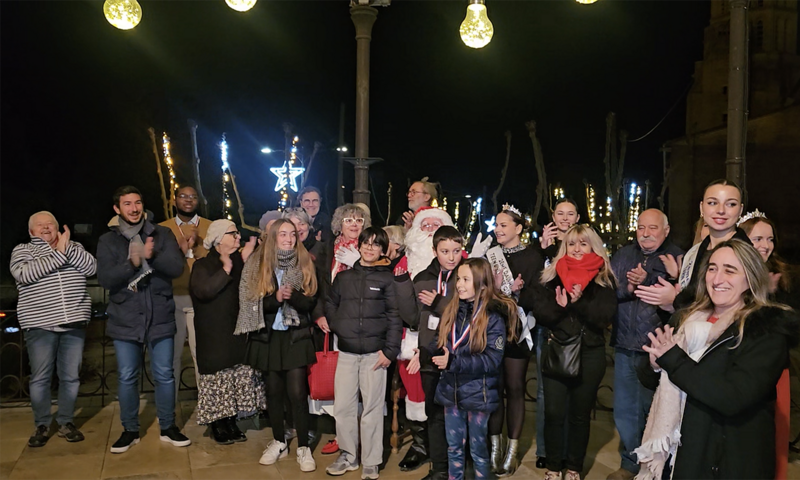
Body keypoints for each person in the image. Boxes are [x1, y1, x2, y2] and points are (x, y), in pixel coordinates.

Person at [635, 239, 799, 480]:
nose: (717, 278)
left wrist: (673, 360)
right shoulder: (689, 318)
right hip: (682, 451)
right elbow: (656, 380)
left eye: (730, 271)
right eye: (712, 268)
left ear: (750, 279)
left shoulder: (764, 330)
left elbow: (733, 397)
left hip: (728, 460)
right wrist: (653, 364)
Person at [96, 186, 190, 453]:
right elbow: (105, 279)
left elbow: (176, 268)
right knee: (127, 376)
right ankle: (130, 430)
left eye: (137, 202)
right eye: (127, 204)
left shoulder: (162, 234)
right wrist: (133, 263)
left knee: (164, 374)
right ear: (117, 208)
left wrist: (152, 256)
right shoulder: (108, 240)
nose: (134, 208)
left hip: (160, 315)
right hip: (125, 317)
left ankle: (168, 426)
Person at [531, 224, 617, 480]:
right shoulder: (551, 275)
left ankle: (573, 468)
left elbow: (603, 318)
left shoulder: (605, 279)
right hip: (557, 350)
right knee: (554, 413)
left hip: (590, 354)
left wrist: (578, 303)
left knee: (579, 416)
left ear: (593, 247)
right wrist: (562, 306)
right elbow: (541, 313)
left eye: (583, 243)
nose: (577, 249)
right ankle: (553, 467)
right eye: (571, 244)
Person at [236, 219, 319, 472]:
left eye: (292, 234)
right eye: (283, 234)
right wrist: (275, 299)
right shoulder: (257, 263)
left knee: (297, 393)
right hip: (268, 337)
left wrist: (293, 297)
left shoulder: (305, 261)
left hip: (295, 337)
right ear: (273, 237)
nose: (288, 239)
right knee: (273, 392)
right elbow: (249, 303)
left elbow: (311, 302)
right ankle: (279, 441)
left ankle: (303, 446)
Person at [606, 209, 683, 480]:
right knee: (624, 410)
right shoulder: (623, 254)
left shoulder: (677, 257)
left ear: (666, 230)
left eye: (652, 228)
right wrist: (629, 287)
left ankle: (654, 468)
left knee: (655, 411)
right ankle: (630, 463)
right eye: (641, 228)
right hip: (624, 343)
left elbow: (682, 298)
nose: (646, 233)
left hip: (656, 348)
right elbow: (608, 288)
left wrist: (658, 279)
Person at [10, 211, 97, 447]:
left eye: (50, 224)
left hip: (73, 323)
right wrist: (59, 254)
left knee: (71, 377)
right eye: (40, 225)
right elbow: (24, 274)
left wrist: (66, 248)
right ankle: (42, 424)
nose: (46, 228)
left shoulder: (73, 247)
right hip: (40, 324)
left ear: (58, 228)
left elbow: (91, 268)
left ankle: (66, 422)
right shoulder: (23, 250)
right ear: (31, 231)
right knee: (40, 377)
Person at [324, 227, 404, 480]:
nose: (370, 248)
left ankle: (371, 461)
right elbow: (330, 304)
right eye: (366, 243)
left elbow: (395, 317)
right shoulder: (344, 278)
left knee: (372, 409)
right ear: (359, 246)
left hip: (374, 355)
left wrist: (389, 351)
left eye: (376, 244)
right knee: (343, 408)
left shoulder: (387, 279)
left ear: (382, 250)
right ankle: (348, 455)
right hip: (347, 352)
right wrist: (339, 326)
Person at [432, 257, 516, 480]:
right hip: (451, 392)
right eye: (458, 279)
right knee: (454, 448)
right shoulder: (451, 311)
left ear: (482, 285)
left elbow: (491, 360)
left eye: (465, 280)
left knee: (478, 451)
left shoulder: (493, 318)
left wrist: (454, 362)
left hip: (479, 393)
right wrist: (427, 352)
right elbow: (440, 342)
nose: (459, 284)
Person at [189, 220, 263, 445]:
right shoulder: (203, 265)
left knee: (234, 375)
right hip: (214, 334)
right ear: (219, 239)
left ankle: (231, 421)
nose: (238, 237)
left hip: (235, 331)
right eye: (233, 234)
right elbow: (203, 291)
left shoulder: (239, 261)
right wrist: (226, 270)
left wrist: (247, 258)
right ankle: (217, 423)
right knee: (218, 377)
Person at [486, 204, 545, 476]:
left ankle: (512, 449)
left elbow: (537, 295)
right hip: (491, 330)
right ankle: (494, 448)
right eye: (496, 225)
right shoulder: (490, 255)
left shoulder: (532, 257)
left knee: (515, 388)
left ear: (518, 228)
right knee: (494, 389)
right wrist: (501, 289)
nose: (497, 229)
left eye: (503, 225)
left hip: (517, 331)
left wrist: (517, 293)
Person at [635, 179, 748, 315]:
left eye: (731, 204)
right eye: (712, 203)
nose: (721, 210)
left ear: (740, 210)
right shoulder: (695, 252)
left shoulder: (745, 253)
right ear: (701, 207)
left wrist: (675, 301)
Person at [738, 212, 795, 480]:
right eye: (758, 238)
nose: (765, 245)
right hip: (738, 368)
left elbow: (791, 327)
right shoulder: (732, 272)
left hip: (772, 369)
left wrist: (770, 299)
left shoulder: (780, 275)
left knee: (772, 436)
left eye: (770, 239)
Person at [407, 226, 465, 480]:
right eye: (445, 251)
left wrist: (439, 303)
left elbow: (470, 313)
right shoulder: (422, 277)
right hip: (430, 355)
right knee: (434, 414)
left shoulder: (467, 275)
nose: (451, 257)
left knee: (460, 414)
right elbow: (415, 318)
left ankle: (460, 468)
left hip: (460, 356)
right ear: (434, 251)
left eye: (456, 251)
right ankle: (439, 469)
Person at [533, 198, 582, 469]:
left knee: (572, 392)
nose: (565, 218)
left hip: (575, 326)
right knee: (544, 391)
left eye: (570, 213)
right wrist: (542, 249)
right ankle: (545, 450)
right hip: (548, 327)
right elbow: (535, 283)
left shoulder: (583, 245)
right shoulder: (544, 246)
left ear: (577, 217)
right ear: (553, 216)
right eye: (560, 213)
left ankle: (566, 452)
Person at [159, 185, 212, 399]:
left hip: (200, 300)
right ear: (174, 201)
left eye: (193, 197)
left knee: (202, 355)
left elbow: (216, 261)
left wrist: (197, 246)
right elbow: (158, 261)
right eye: (183, 196)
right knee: (171, 356)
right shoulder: (163, 228)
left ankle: (207, 405)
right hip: (172, 298)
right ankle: (168, 406)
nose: (188, 200)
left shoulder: (209, 226)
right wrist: (179, 248)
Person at [404, 207, 455, 279]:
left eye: (436, 225)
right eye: (425, 225)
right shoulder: (407, 259)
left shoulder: (459, 256)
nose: (430, 229)